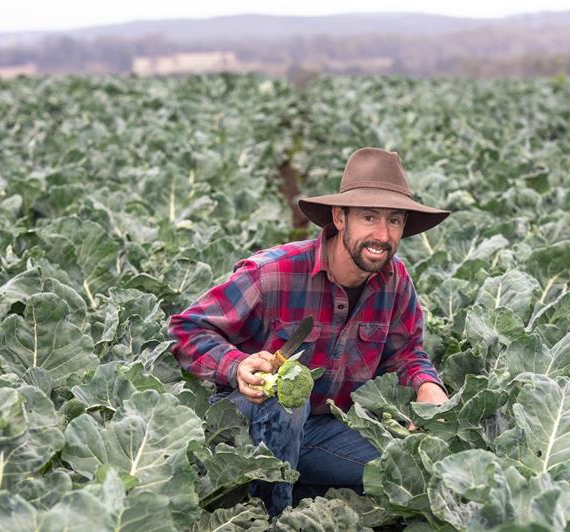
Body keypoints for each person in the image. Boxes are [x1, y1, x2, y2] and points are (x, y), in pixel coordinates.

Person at [168, 147, 451, 516]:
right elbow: (185, 329)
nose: (382, 234)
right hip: (246, 427)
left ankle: (299, 483)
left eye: (394, 221)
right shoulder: (272, 273)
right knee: (286, 397)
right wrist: (236, 365)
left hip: (324, 431)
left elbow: (406, 353)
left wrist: (428, 386)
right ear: (340, 217)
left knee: (414, 469)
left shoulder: (395, 282)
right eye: (369, 217)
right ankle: (270, 516)